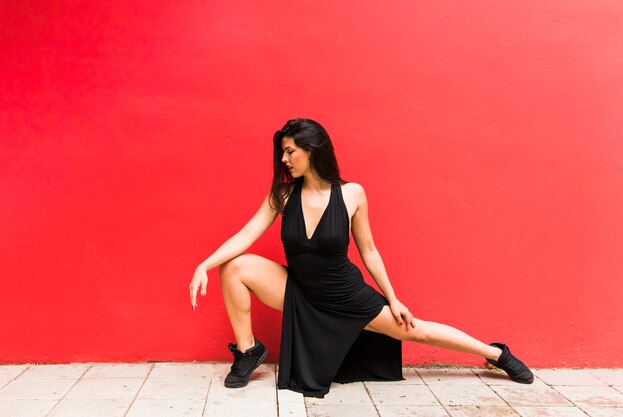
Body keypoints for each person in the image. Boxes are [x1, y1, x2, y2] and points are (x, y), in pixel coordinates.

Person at [189, 118, 534, 398]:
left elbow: (368, 250)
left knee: (417, 332)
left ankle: (496, 353)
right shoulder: (282, 194)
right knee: (234, 266)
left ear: (312, 150)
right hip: (299, 291)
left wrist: (394, 299)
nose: (284, 159)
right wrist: (204, 264)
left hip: (345, 296)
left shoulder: (352, 194)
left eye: (290, 151)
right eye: (283, 152)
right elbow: (247, 235)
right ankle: (248, 352)